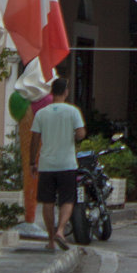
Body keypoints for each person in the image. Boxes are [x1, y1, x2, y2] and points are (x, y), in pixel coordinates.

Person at [29, 77, 86, 251]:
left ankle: (52, 240)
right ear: (66, 92)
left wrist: (32, 162)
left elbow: (35, 140)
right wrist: (75, 135)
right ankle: (61, 230)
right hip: (67, 164)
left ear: (51, 93)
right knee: (67, 200)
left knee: (47, 202)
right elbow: (81, 134)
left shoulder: (41, 113)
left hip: (47, 165)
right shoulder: (73, 111)